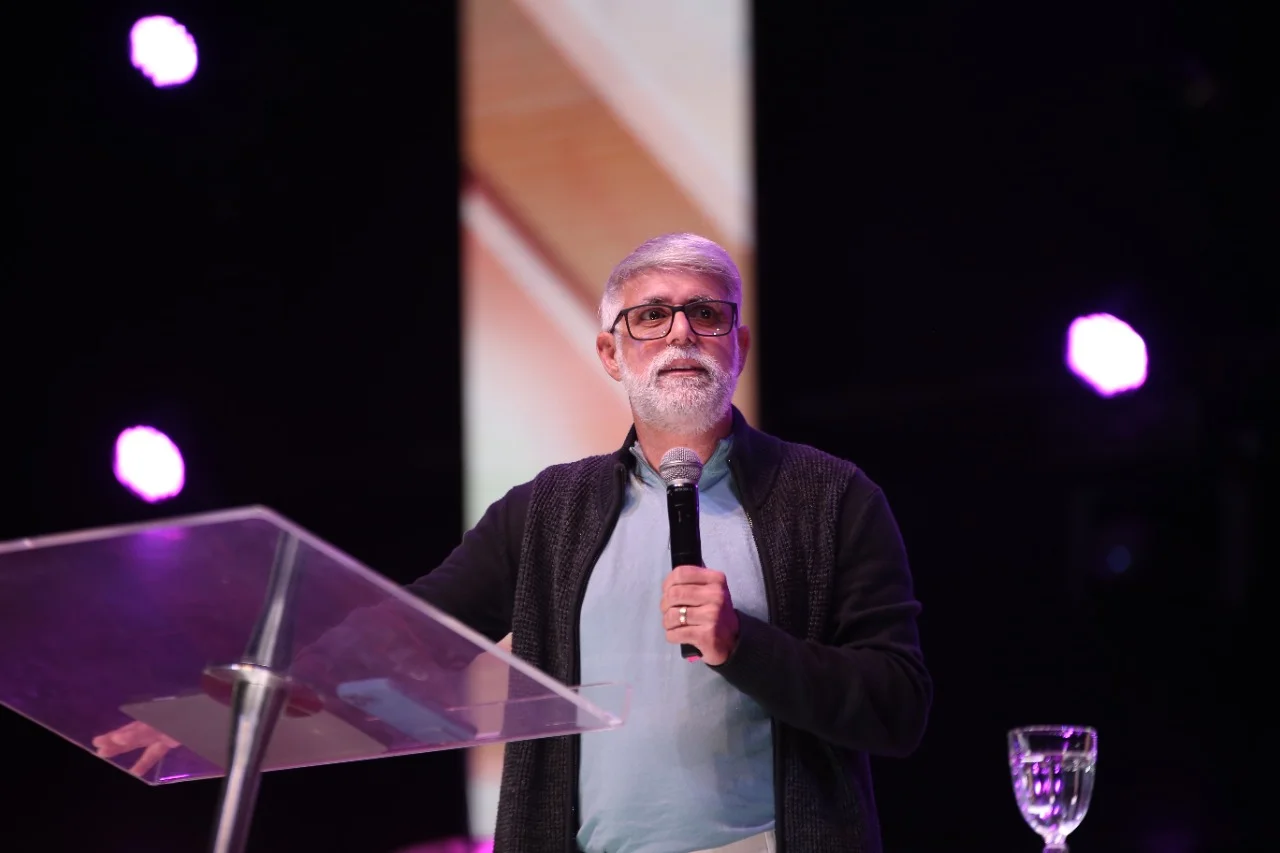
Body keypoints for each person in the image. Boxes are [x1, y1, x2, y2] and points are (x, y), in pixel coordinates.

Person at [411, 233, 932, 853]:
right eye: (651, 315)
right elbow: (416, 631)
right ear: (611, 351)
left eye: (705, 313)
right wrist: (304, 660)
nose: (681, 332)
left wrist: (742, 644)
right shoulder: (545, 510)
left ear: (738, 346)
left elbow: (898, 707)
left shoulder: (831, 497)